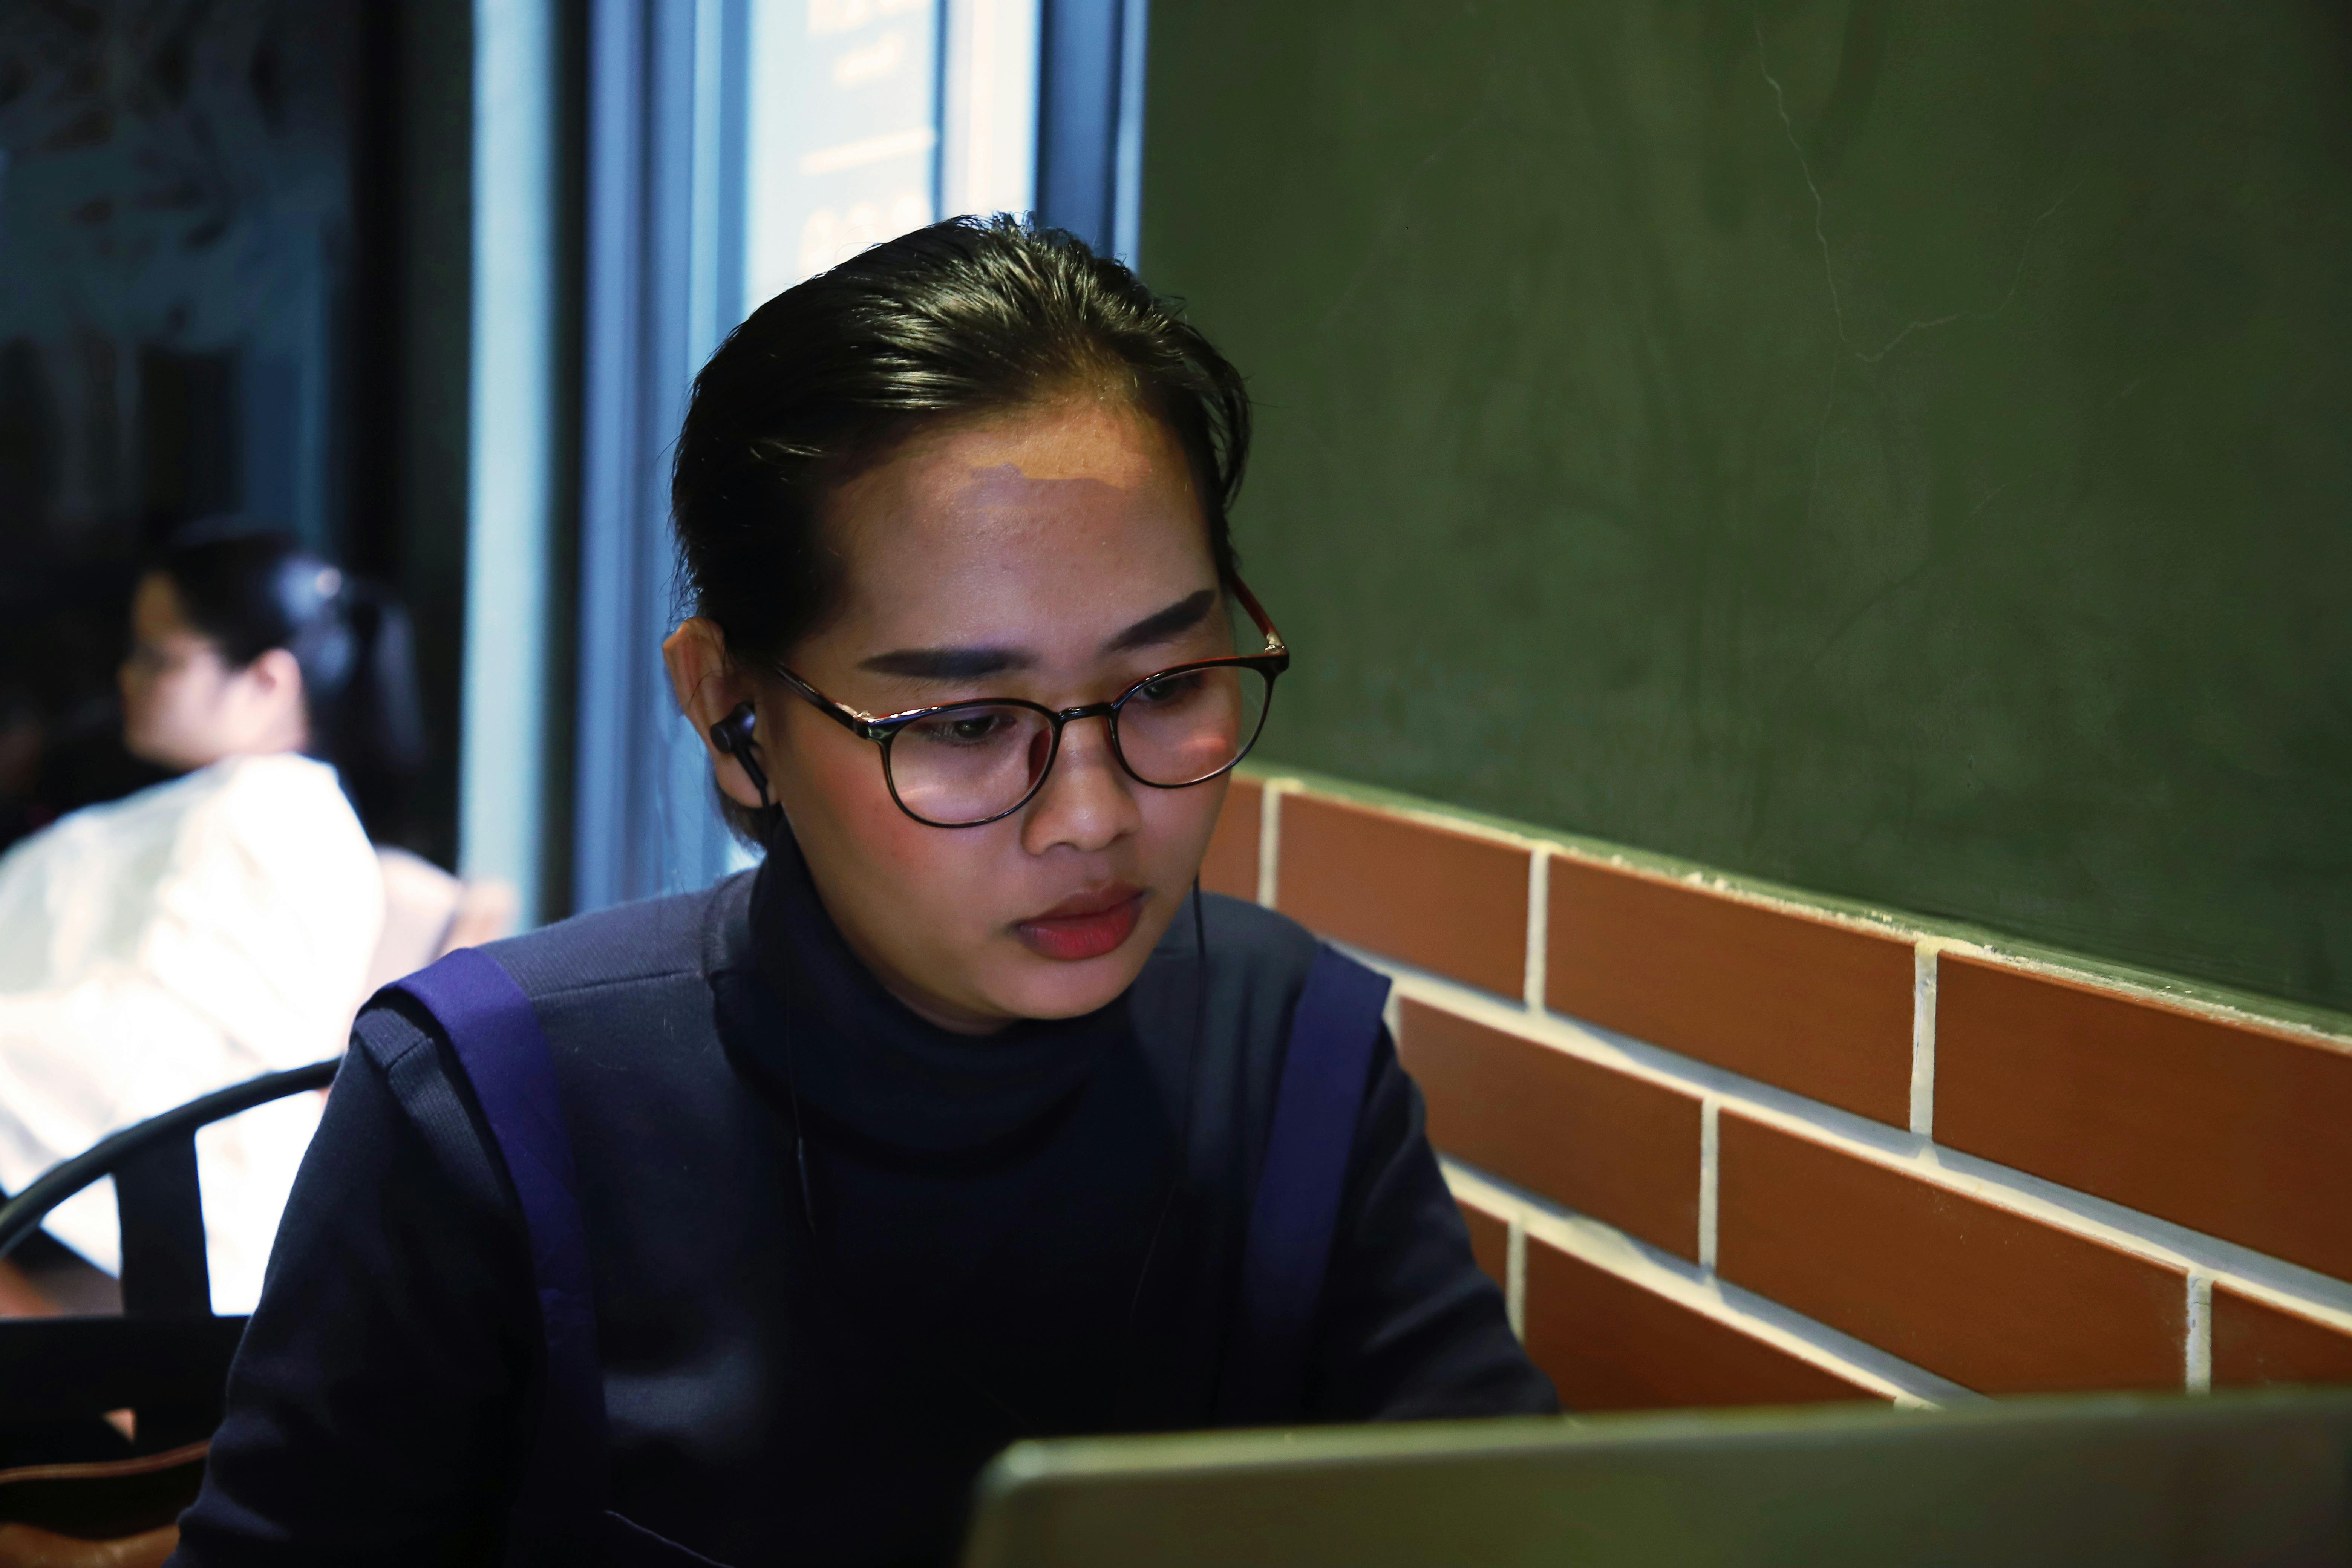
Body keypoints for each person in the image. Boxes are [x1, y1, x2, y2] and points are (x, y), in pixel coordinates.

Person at [168, 217, 1554, 1568]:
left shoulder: (1292, 1051)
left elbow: (1510, 1517)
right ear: (732, 715)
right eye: (965, 723)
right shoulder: (486, 1108)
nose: (1093, 817)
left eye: (1167, 686)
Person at [0, 529, 424, 1316]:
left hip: (187, 1210)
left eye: (158, 657)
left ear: (266, 680)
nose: (128, 676)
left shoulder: (270, 817)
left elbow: (180, 1041)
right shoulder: (241, 804)